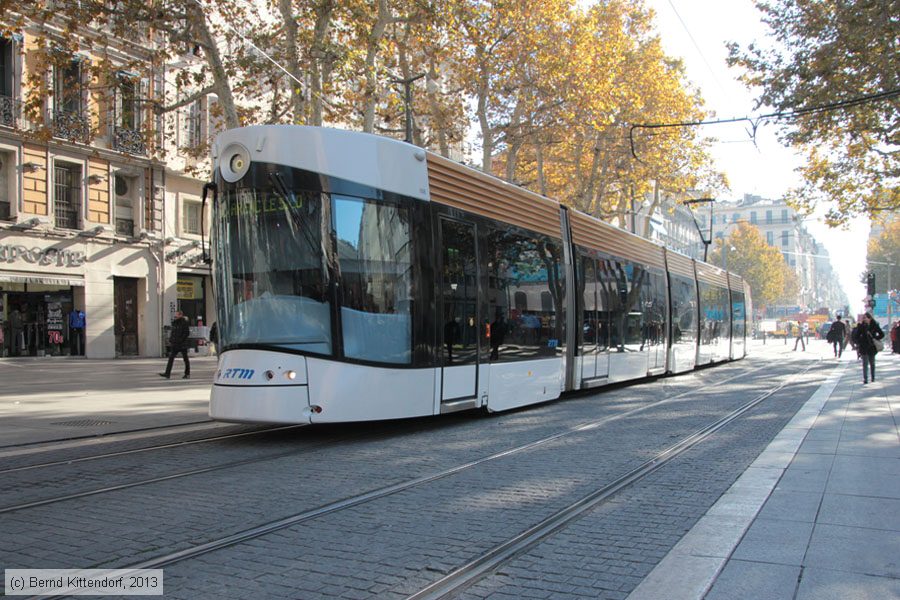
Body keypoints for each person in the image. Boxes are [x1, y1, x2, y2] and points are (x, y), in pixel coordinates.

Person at [851, 312, 884, 385]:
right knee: (865, 363)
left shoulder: (875, 325)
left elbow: (882, 334)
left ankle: (873, 377)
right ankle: (865, 378)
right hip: (864, 346)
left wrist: (875, 338)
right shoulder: (861, 326)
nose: (864, 319)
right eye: (863, 318)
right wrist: (860, 341)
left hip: (872, 347)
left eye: (865, 317)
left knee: (872, 363)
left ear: (870, 318)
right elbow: (856, 336)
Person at [160, 311, 191, 379]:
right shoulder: (175, 323)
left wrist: (181, 340)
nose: (175, 316)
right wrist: (171, 340)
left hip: (182, 344)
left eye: (177, 314)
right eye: (175, 315)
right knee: (171, 358)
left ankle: (187, 373)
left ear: (181, 315)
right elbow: (173, 332)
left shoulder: (184, 322)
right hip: (175, 344)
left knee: (185, 359)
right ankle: (167, 373)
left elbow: (186, 333)